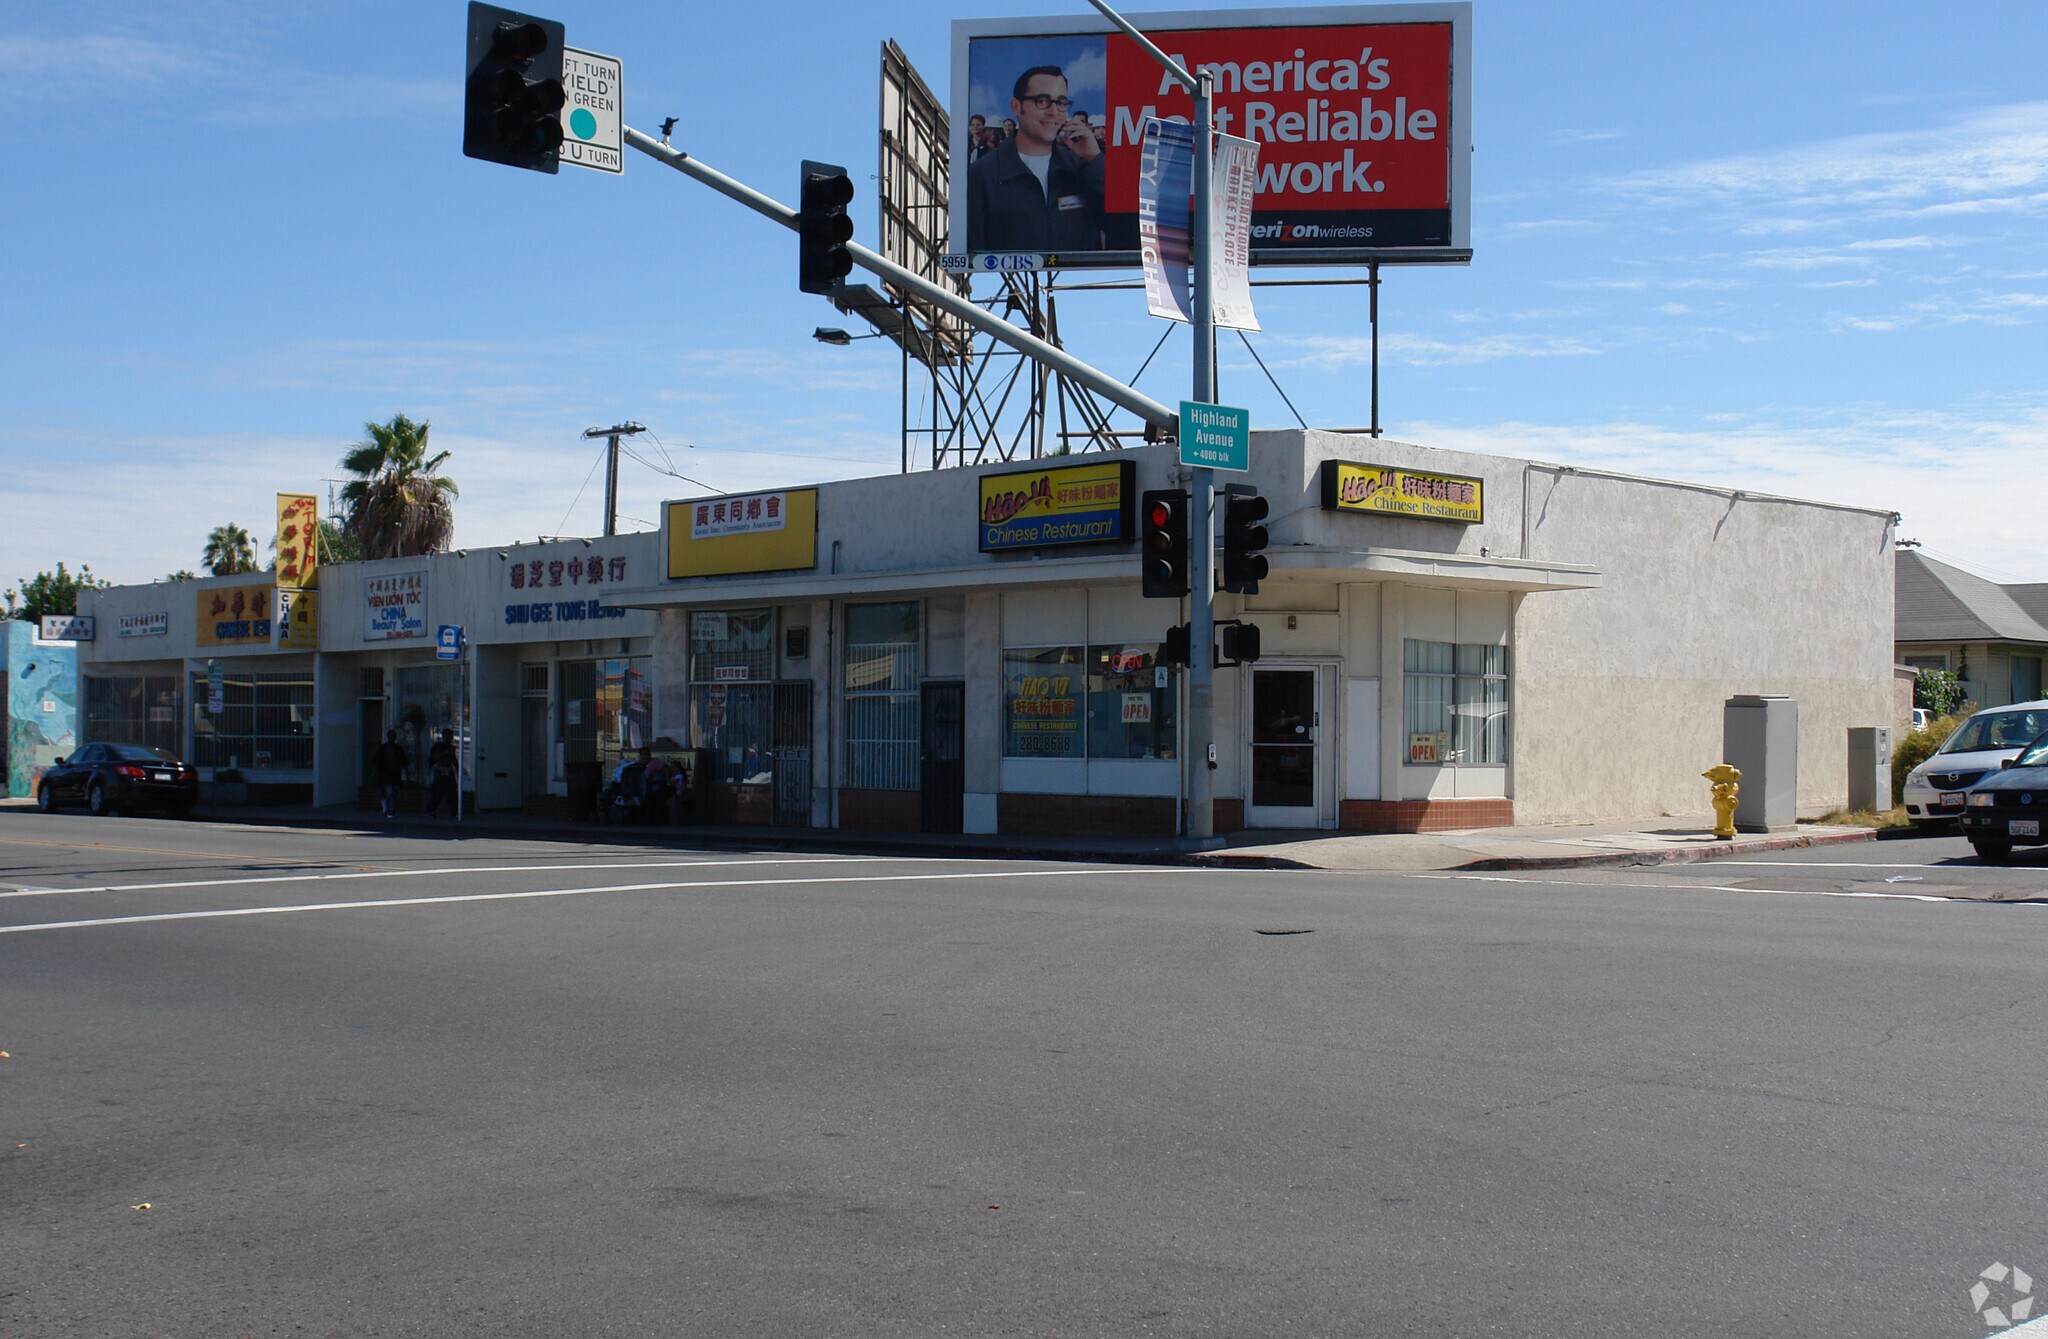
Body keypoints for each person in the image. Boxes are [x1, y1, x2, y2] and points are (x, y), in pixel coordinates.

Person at [965, 66, 1105, 254]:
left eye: (1061, 103)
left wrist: (1095, 159)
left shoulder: (1082, 166)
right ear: (1016, 106)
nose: (1053, 112)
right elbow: (973, 248)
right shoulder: (982, 173)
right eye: (1042, 101)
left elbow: (1120, 226)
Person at [371, 729, 407, 819]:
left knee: (391, 792)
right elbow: (376, 761)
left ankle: (389, 809)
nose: (392, 738)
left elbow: (403, 761)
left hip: (392, 774)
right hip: (386, 774)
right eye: (391, 736)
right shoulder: (387, 748)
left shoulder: (396, 748)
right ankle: (388, 809)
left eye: (392, 736)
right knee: (389, 792)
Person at [425, 728, 458, 819]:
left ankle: (454, 812)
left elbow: (454, 759)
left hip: (448, 772)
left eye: (450, 736)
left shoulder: (451, 748)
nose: (449, 738)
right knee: (437, 793)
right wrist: (444, 753)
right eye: (447, 736)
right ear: (443, 737)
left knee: (452, 793)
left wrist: (457, 770)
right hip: (440, 772)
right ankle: (431, 810)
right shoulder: (438, 746)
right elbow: (435, 758)